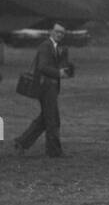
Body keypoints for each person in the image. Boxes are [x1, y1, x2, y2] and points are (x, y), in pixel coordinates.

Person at [13, 23, 74, 158]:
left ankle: (22, 142)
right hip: (44, 86)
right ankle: (54, 151)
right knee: (53, 119)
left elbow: (61, 65)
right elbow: (42, 67)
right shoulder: (45, 46)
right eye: (57, 32)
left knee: (46, 118)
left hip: (51, 86)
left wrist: (65, 69)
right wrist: (59, 73)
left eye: (62, 33)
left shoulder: (59, 48)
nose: (60, 35)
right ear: (51, 32)